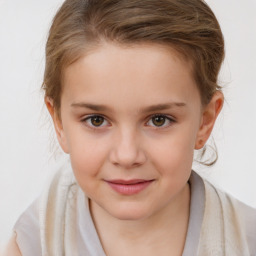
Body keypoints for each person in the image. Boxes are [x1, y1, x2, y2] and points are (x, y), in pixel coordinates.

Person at [4, 0, 256, 255]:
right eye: (96, 120)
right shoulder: (32, 245)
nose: (126, 156)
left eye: (159, 120)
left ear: (205, 121)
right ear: (58, 121)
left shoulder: (247, 240)